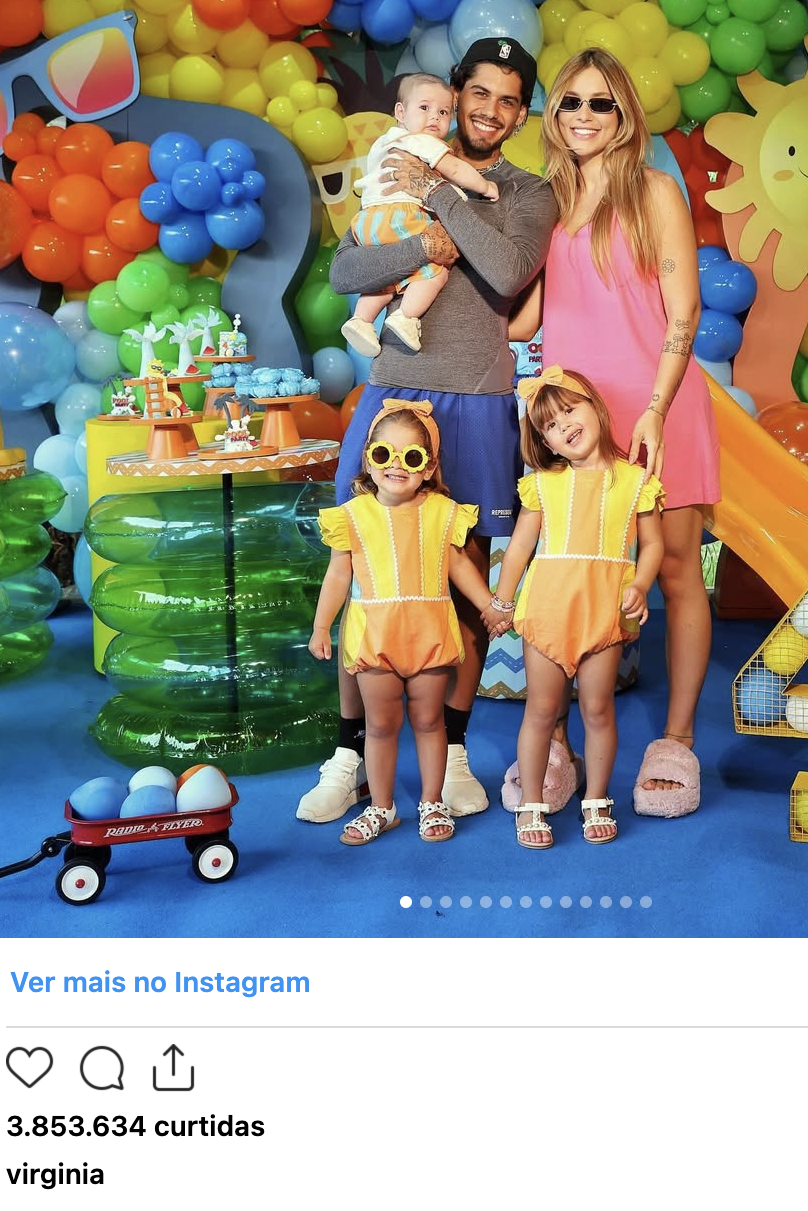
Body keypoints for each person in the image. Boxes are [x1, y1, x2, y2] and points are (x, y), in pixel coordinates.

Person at [296, 35, 557, 826]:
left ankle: (459, 751)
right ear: (454, 92)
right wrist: (416, 241)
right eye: (479, 92)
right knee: (367, 571)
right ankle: (349, 756)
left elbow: (507, 273)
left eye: (509, 99)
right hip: (392, 389)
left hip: (476, 397)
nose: (490, 110)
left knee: (464, 575)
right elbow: (346, 273)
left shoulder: (529, 192)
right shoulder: (393, 160)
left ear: (522, 114)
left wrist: (440, 193)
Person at [506, 47, 721, 819]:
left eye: (602, 102)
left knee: (676, 572)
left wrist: (656, 408)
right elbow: (526, 318)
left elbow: (684, 310)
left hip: (659, 406)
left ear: (625, 114)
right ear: (554, 116)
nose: (585, 116)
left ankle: (677, 741)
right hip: (572, 417)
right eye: (571, 102)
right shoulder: (545, 201)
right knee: (564, 574)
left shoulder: (655, 190)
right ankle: (556, 746)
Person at [483, 368, 663, 848]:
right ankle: (532, 802)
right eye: (549, 425)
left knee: (598, 709)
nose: (563, 426)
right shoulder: (544, 484)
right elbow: (519, 548)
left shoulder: (636, 481)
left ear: (595, 407)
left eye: (569, 410)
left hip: (604, 610)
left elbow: (652, 546)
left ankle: (597, 797)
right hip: (548, 609)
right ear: (545, 443)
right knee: (541, 710)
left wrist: (641, 583)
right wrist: (502, 602)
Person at [308, 398, 495, 845]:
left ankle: (432, 801)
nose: (396, 465)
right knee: (380, 725)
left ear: (428, 468)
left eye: (410, 457)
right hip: (374, 637)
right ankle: (382, 806)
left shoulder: (442, 512)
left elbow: (459, 566)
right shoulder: (352, 516)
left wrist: (489, 604)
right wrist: (321, 626)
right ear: (368, 460)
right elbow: (338, 575)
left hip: (429, 635)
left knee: (430, 722)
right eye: (383, 454)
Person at [342, 72, 500, 358]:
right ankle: (407, 317)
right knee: (434, 270)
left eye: (443, 112)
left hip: (366, 222)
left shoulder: (383, 143)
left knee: (388, 277)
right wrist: (484, 186)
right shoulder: (421, 142)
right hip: (402, 215)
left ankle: (361, 320)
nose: (435, 117)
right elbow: (454, 169)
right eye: (424, 108)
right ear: (400, 113)